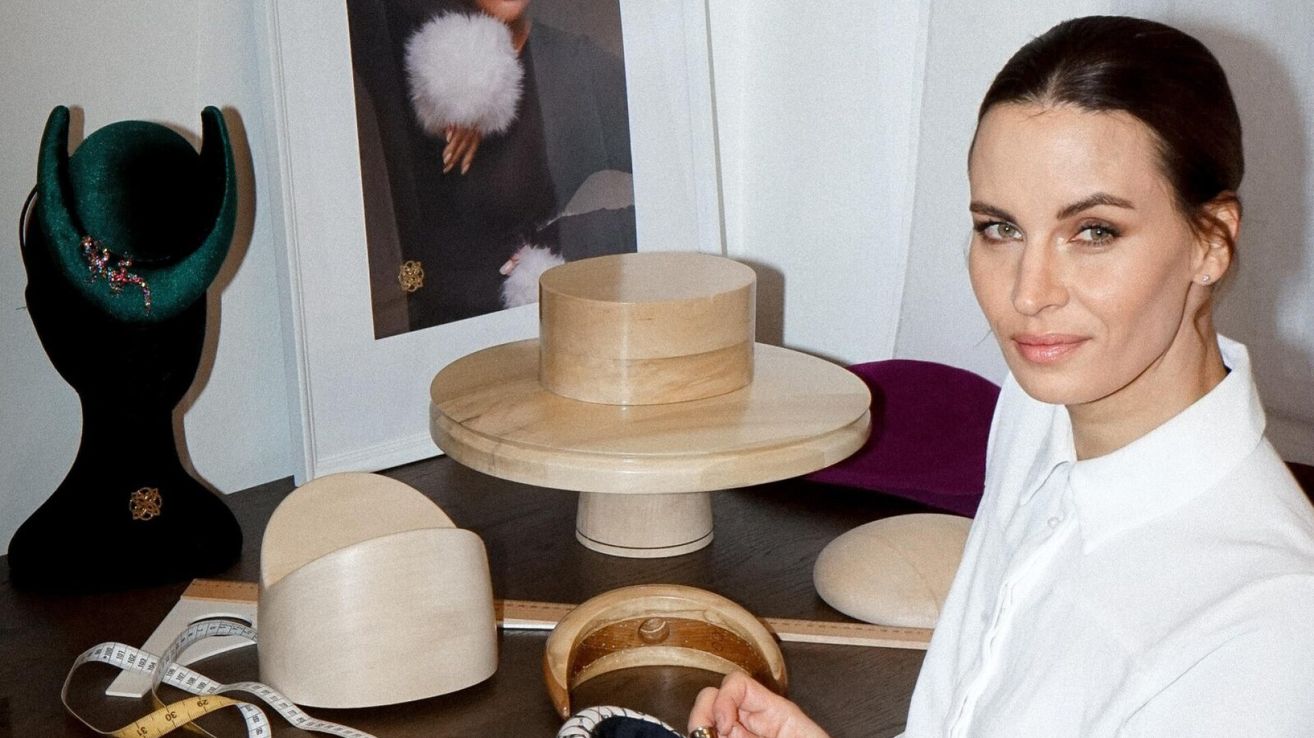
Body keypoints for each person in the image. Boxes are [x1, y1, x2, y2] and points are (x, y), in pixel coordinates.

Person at [688, 15, 1314, 738]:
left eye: (1094, 231)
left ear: (1212, 242)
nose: (1028, 293)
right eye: (1000, 228)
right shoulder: (1039, 408)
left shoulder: (1268, 628)